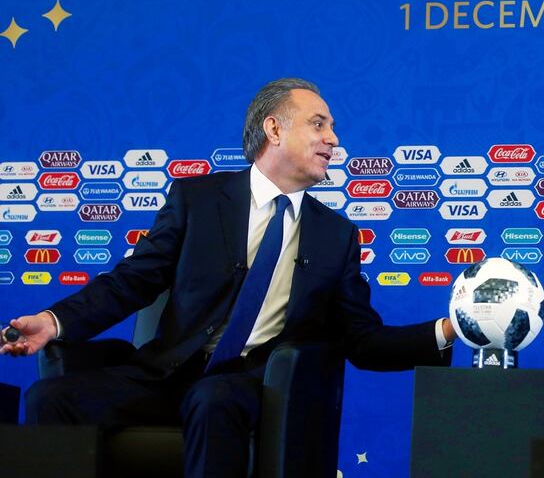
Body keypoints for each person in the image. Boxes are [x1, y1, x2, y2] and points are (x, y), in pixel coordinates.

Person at [1, 77, 456, 476]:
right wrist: (54, 320)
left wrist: (447, 330)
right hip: (164, 373)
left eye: (331, 127)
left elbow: (363, 340)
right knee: (50, 397)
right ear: (274, 129)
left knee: (213, 399)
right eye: (319, 124)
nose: (333, 139)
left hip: (249, 384)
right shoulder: (197, 200)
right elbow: (131, 281)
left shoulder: (336, 236)